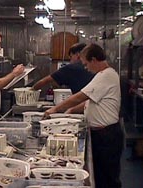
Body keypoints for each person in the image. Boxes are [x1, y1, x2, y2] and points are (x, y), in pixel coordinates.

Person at [44, 43, 124, 188]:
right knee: (100, 176)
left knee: (109, 178)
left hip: (107, 135)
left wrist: (55, 109)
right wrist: (71, 111)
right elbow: (90, 100)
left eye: (86, 64)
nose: (86, 68)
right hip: (102, 134)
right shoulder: (102, 75)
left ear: (94, 60)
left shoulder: (106, 75)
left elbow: (81, 96)